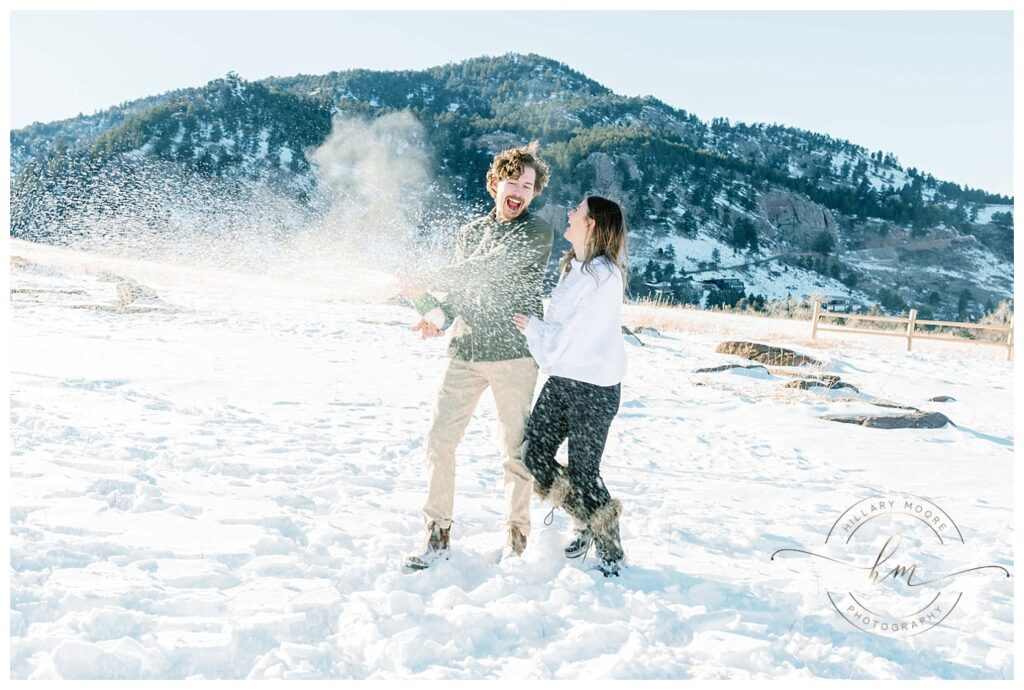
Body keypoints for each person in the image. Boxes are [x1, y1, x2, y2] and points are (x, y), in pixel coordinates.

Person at [400, 142, 554, 569]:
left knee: (514, 450)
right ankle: (437, 534)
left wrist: (427, 276)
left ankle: (517, 538)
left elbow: (491, 268)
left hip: (513, 357)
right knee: (439, 440)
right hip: (465, 351)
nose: (520, 191)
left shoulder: (537, 232)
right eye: (513, 181)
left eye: (528, 185)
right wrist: (438, 314)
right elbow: (461, 291)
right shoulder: (468, 233)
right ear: (495, 183)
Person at [512, 196, 628, 576]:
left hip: (594, 388)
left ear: (591, 223)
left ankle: (611, 554)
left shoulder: (605, 277)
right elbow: (559, 335)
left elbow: (567, 341)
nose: (569, 213)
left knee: (583, 472)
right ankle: (583, 518)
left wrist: (533, 328)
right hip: (563, 380)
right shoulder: (573, 268)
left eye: (577, 210)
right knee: (535, 456)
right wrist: (536, 327)